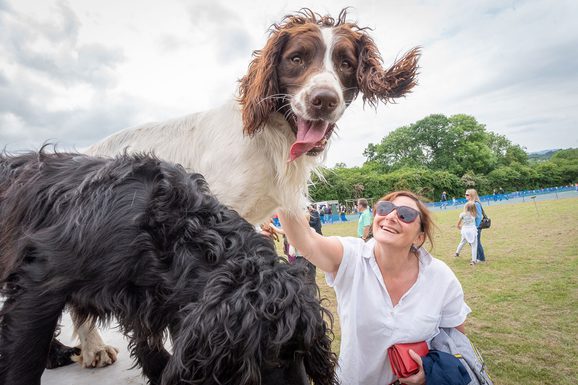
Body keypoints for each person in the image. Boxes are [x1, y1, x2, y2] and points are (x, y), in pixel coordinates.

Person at [278, 191, 471, 385]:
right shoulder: (351, 258)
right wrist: (283, 176)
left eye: (405, 214)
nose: (391, 216)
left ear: (419, 237)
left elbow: (456, 341)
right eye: (385, 208)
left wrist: (429, 372)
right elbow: (303, 238)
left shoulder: (441, 277)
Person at [465, 189, 486, 262]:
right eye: (465, 194)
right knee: (472, 242)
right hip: (471, 227)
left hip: (476, 227)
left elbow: (479, 216)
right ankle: (476, 257)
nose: (466, 196)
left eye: (467, 194)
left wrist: (476, 227)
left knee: (476, 242)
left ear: (472, 195)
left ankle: (481, 258)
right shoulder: (470, 203)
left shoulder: (476, 204)